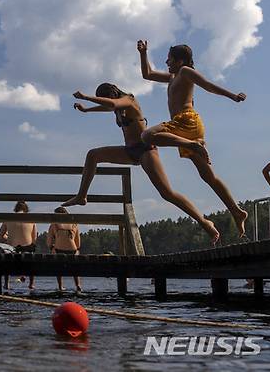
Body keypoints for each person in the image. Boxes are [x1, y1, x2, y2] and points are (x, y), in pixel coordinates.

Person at [63, 82, 220, 244]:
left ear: (114, 93)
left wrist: (86, 97)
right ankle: (82, 196)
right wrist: (86, 110)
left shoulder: (128, 99)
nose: (106, 101)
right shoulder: (116, 107)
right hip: (129, 151)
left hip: (146, 150)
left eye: (106, 98)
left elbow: (112, 104)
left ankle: (204, 221)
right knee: (93, 155)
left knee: (167, 193)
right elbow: (109, 107)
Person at [137, 40, 248, 239]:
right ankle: (237, 211)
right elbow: (147, 74)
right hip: (181, 126)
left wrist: (232, 96)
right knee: (207, 176)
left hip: (187, 122)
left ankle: (192, 145)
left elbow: (208, 86)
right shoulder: (172, 76)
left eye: (170, 59)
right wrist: (143, 53)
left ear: (181, 61)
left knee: (147, 135)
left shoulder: (186, 72)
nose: (167, 62)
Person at [0, 201, 37, 289]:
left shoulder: (9, 218)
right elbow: (34, 239)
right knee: (31, 253)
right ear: (26, 209)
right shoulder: (31, 219)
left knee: (6, 255)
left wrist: (8, 239)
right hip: (27, 250)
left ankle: (6, 283)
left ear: (15, 209)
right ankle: (31, 284)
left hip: (12, 249)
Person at [47, 206, 82, 292]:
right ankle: (78, 285)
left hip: (59, 250)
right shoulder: (74, 224)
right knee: (75, 267)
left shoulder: (54, 224)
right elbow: (78, 243)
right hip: (72, 250)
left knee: (58, 266)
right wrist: (77, 250)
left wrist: (52, 247)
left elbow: (49, 241)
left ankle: (60, 286)